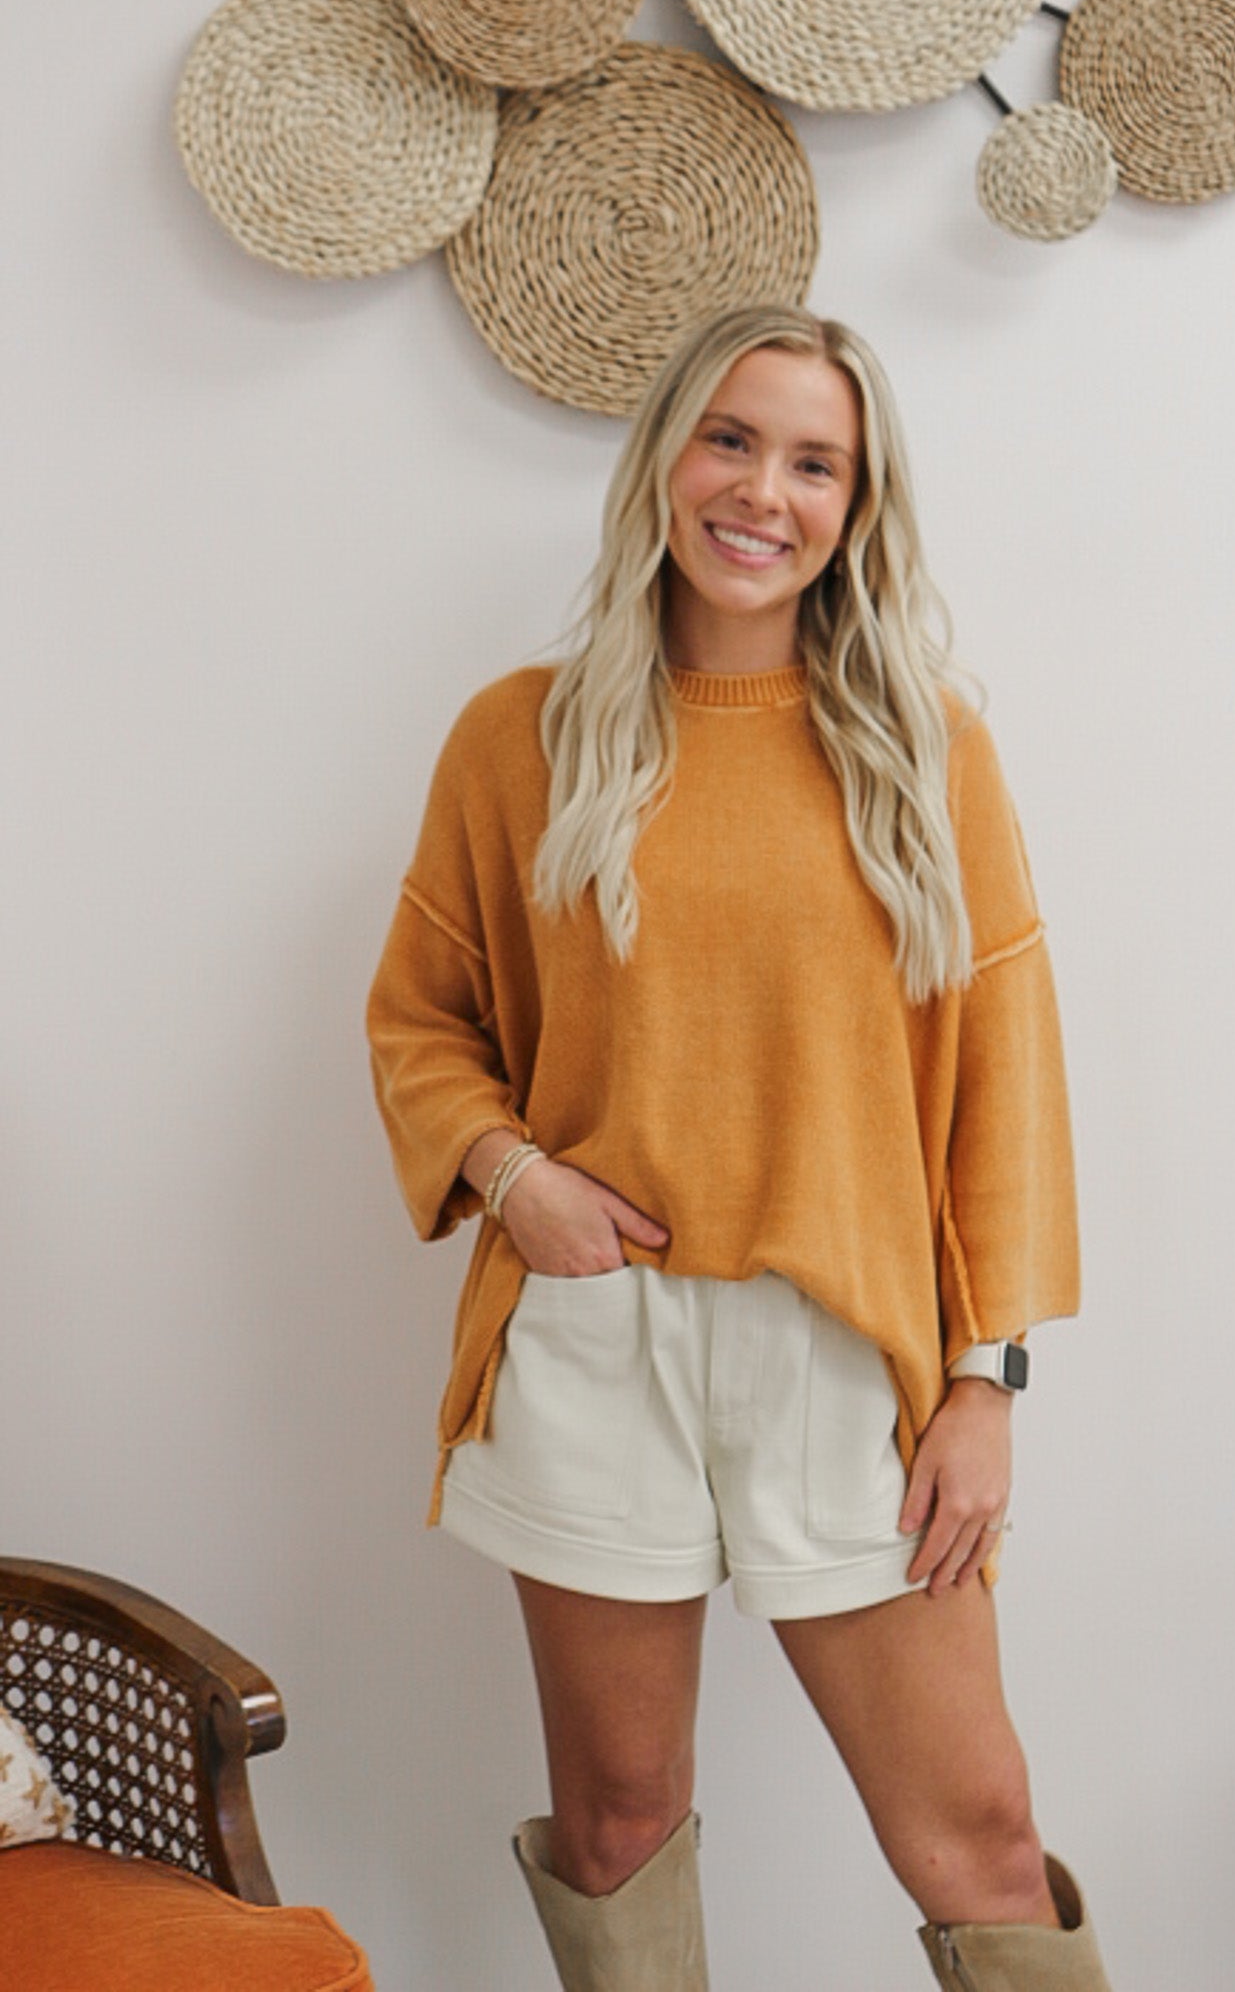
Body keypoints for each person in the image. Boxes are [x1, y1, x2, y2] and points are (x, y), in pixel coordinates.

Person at [367, 304, 1111, 1991]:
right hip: (592, 1340)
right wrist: (513, 1178)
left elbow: (1007, 1081)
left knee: (979, 1837)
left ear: (856, 504)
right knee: (618, 1823)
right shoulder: (519, 737)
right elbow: (418, 1019)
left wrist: (984, 1379)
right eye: (729, 438)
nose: (761, 491)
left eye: (812, 461)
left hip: (848, 1349)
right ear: (664, 461)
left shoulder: (923, 749)